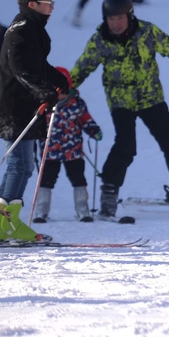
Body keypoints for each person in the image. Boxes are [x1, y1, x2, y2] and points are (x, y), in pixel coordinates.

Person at [71, 0, 169, 219]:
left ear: (129, 16)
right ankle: (109, 192)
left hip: (151, 98)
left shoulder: (148, 33)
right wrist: (64, 90)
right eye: (110, 19)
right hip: (121, 101)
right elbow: (82, 68)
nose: (115, 24)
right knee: (126, 146)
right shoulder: (100, 40)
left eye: (120, 18)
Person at [0, 0, 69, 242]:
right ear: (32, 4)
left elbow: (37, 64)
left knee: (20, 165)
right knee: (21, 165)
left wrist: (58, 80)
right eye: (48, 2)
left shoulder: (29, 27)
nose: (52, 7)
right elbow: (20, 69)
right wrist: (44, 91)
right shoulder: (23, 30)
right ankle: (7, 223)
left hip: (18, 106)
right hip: (13, 108)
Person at [33, 67, 103, 224]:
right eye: (57, 91)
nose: (61, 95)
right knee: (46, 180)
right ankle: (41, 210)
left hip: (73, 151)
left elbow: (85, 120)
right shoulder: (44, 105)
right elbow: (35, 125)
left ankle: (82, 209)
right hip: (50, 152)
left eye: (64, 90)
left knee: (78, 179)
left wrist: (94, 130)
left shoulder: (76, 103)